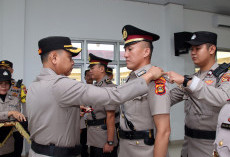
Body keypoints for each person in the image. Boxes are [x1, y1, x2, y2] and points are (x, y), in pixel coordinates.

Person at [26, 36, 164, 157]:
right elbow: (114, 94)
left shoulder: (34, 85)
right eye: (69, 57)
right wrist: (149, 76)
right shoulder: (60, 85)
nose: (73, 62)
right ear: (54, 58)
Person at [166, 31, 230, 157]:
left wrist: (187, 82)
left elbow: (224, 99)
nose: (193, 52)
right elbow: (168, 98)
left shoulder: (225, 76)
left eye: (198, 48)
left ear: (212, 49)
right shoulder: (192, 78)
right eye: (192, 49)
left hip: (210, 145)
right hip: (188, 144)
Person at [118, 25, 171, 157]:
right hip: (125, 148)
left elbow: (164, 131)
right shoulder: (132, 79)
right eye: (125, 49)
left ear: (146, 52)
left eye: (130, 49)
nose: (125, 54)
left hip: (143, 151)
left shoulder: (155, 81)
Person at [87, 53, 119, 157]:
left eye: (92, 68)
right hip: (94, 135)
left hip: (103, 137)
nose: (90, 71)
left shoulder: (108, 88)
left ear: (101, 69)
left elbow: (110, 116)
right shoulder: (97, 86)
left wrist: (110, 142)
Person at [0, 60, 28, 157]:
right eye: (1, 68)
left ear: (11, 70)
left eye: (6, 68)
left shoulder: (19, 86)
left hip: (15, 129)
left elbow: (25, 106)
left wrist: (24, 125)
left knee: (15, 152)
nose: (3, 70)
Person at [79, 69, 93, 157]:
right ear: (84, 77)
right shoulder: (82, 89)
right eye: (87, 75)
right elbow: (79, 104)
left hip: (94, 122)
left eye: (91, 75)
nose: (90, 77)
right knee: (83, 143)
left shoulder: (97, 89)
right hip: (83, 121)